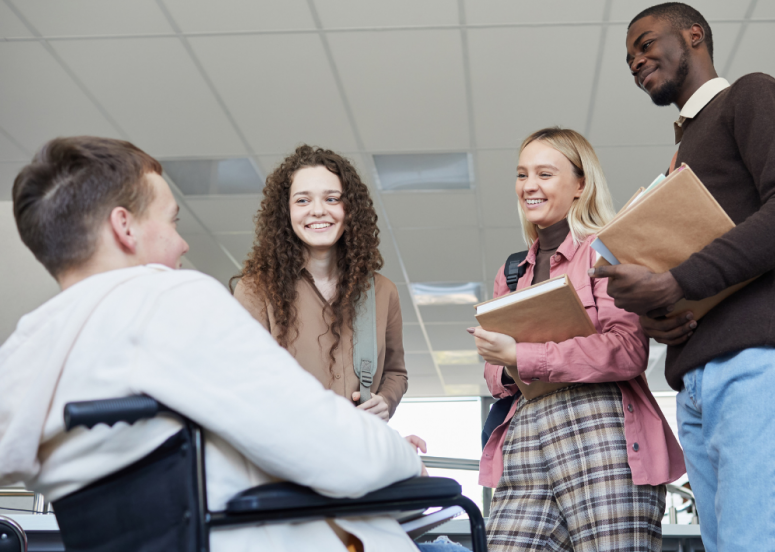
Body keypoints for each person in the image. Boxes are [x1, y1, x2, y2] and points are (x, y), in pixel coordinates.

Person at [0, 136, 465, 552]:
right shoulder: (172, 301)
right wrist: (406, 460)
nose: (183, 244)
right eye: (172, 221)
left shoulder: (25, 358)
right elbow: (332, 449)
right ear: (125, 227)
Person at [591, 4, 775, 551]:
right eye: (629, 56)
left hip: (758, 363)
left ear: (694, 35)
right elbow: (699, 269)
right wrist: (658, 314)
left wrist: (677, 281)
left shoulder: (751, 94)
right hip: (698, 381)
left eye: (646, 44)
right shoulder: (683, 151)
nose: (635, 61)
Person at [470, 127, 685, 551]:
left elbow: (627, 351)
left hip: (601, 433)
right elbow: (496, 377)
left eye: (545, 174)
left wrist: (522, 353)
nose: (529, 185)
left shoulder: (605, 253)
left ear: (580, 184)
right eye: (522, 174)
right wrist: (504, 360)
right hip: (525, 436)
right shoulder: (510, 273)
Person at [233, 146, 407, 421]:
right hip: (288, 451)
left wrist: (385, 401)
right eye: (302, 201)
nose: (317, 211)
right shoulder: (255, 290)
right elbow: (243, 381)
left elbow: (395, 373)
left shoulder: (382, 291)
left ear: (350, 209)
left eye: (332, 199)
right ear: (285, 212)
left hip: (358, 449)